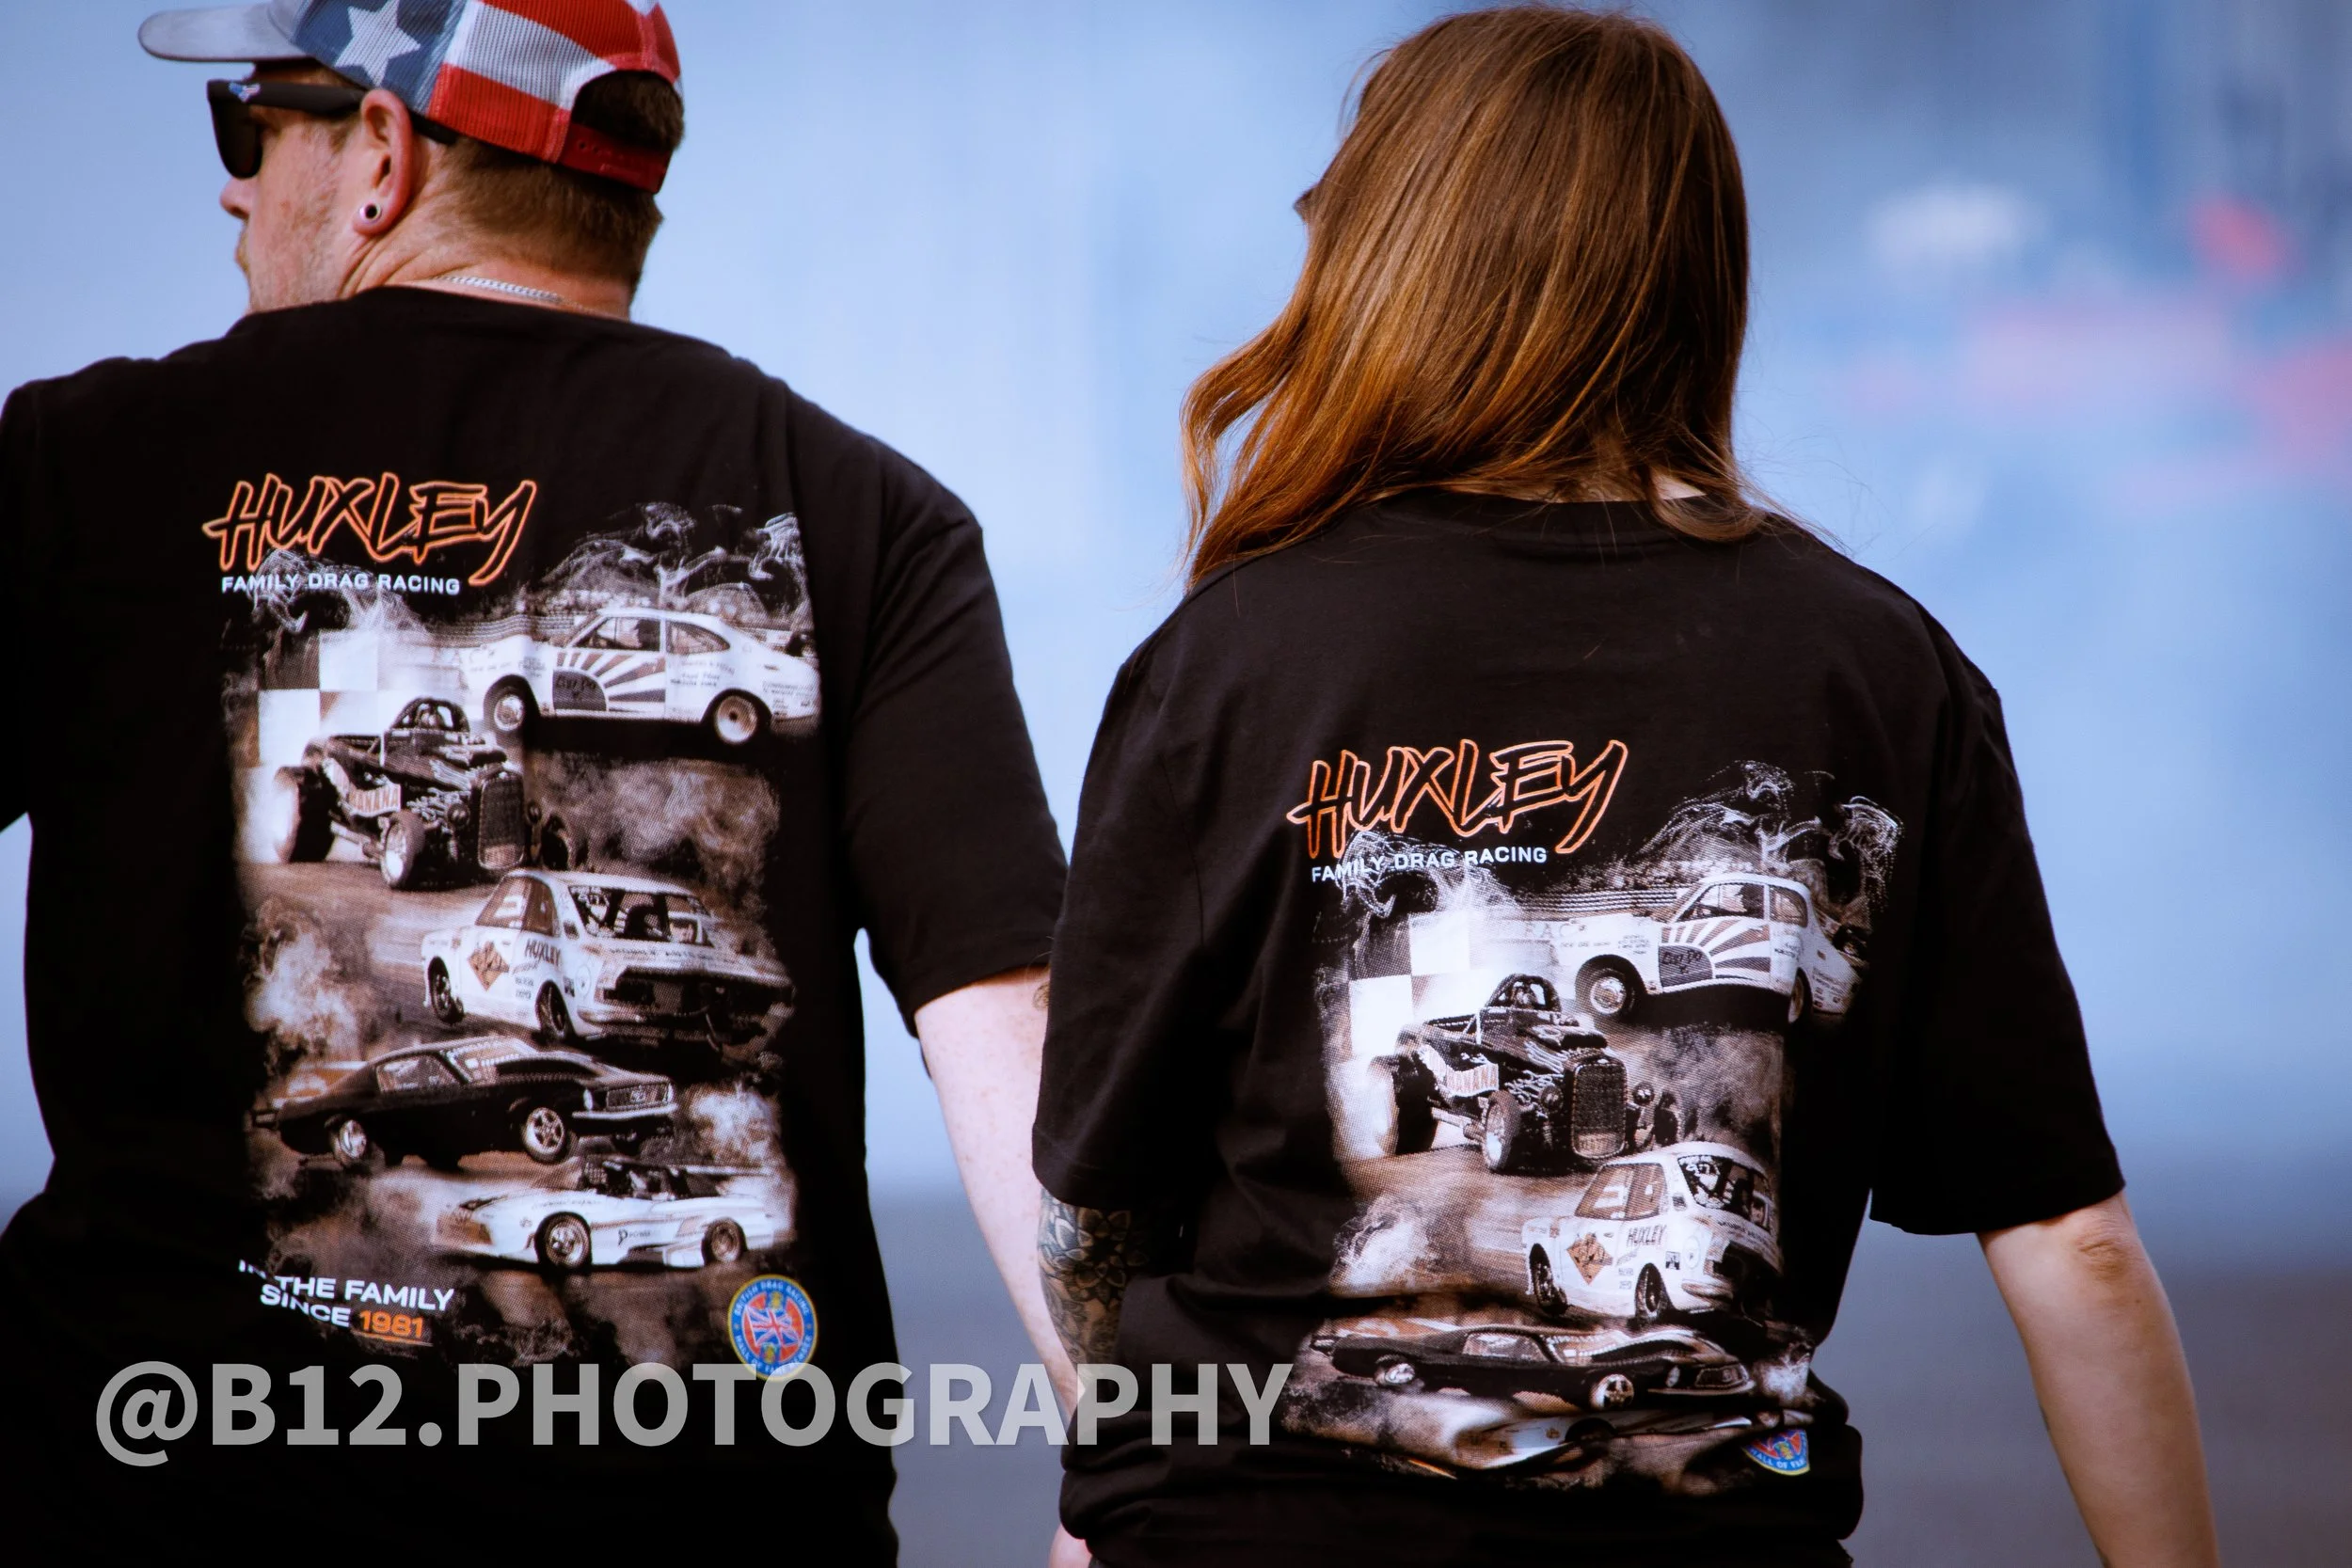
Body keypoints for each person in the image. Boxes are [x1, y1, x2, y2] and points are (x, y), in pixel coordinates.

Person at [1033, 8, 2219, 1566]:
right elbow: (2075, 1241)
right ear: (1691, 284)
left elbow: (1096, 1222)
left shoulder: (1229, 657)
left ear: (1400, 265)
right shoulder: (1883, 671)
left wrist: (1127, 1496)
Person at [0, 2, 1073, 1558]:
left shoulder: (85, 471)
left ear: (380, 155)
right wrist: (1134, 1469)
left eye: (252, 128)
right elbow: (1014, 1051)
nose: (233, 187)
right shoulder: (860, 513)